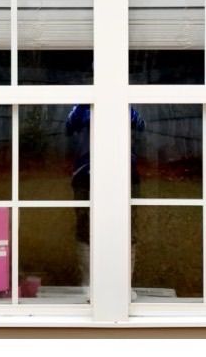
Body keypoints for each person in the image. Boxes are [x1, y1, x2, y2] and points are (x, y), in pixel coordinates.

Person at [65, 104, 145, 287]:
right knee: (85, 228)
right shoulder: (80, 108)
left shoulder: (127, 106)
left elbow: (141, 126)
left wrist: (120, 107)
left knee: (128, 228)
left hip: (125, 175)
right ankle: (89, 285)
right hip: (85, 175)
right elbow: (69, 127)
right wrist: (87, 105)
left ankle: (124, 286)